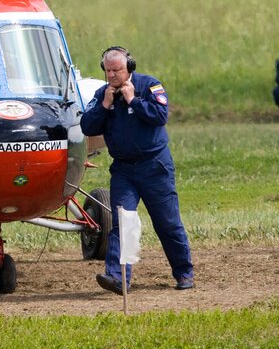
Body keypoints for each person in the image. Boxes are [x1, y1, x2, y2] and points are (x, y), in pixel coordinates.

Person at [80, 46, 194, 294]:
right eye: (108, 71)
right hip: (123, 171)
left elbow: (160, 115)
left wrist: (134, 101)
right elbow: (87, 126)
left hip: (155, 167)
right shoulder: (103, 94)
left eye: (117, 70)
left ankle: (184, 272)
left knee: (167, 222)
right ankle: (118, 277)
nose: (111, 76)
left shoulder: (149, 86)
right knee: (124, 222)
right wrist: (106, 106)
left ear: (129, 67)